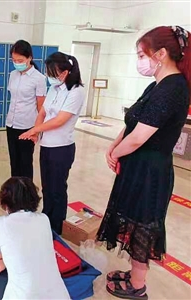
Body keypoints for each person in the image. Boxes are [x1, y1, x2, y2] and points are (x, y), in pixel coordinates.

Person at [96, 26, 190, 300]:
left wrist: (115, 154)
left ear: (161, 54)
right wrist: (114, 145)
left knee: (142, 224)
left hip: (150, 170)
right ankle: (133, 272)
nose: (139, 60)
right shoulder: (157, 84)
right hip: (137, 166)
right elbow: (132, 121)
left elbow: (139, 137)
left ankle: (138, 284)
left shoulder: (173, 87)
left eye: (142, 54)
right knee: (131, 218)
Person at [19, 52, 85, 235]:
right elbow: (43, 112)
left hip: (62, 147)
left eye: (52, 73)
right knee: (47, 186)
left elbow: (60, 120)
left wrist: (33, 131)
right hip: (46, 145)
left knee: (57, 188)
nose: (49, 77)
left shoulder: (76, 91)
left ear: (65, 72)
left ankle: (56, 226)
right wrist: (37, 131)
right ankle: (46, 218)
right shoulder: (54, 89)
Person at [0, 177, 70, 300]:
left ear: (5, 203)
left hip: (23, 296)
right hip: (59, 296)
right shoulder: (44, 219)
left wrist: (6, 260)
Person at [6, 40, 47, 180]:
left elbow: (40, 107)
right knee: (14, 161)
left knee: (25, 162)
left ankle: (27, 194)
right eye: (14, 60)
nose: (17, 63)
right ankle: (14, 192)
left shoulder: (39, 79)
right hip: (11, 123)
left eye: (20, 60)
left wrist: (37, 131)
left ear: (29, 58)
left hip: (27, 126)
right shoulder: (13, 74)